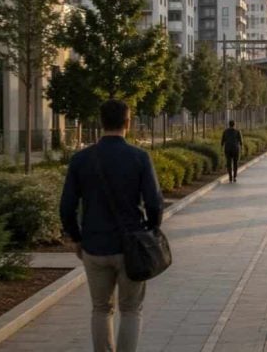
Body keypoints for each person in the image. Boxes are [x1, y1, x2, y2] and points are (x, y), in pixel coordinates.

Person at [59, 99, 163, 352]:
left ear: (100, 122)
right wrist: (151, 231)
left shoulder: (81, 159)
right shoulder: (139, 157)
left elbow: (66, 207)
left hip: (94, 246)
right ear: (128, 122)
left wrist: (77, 238)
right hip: (130, 247)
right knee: (131, 309)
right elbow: (154, 203)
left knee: (101, 308)